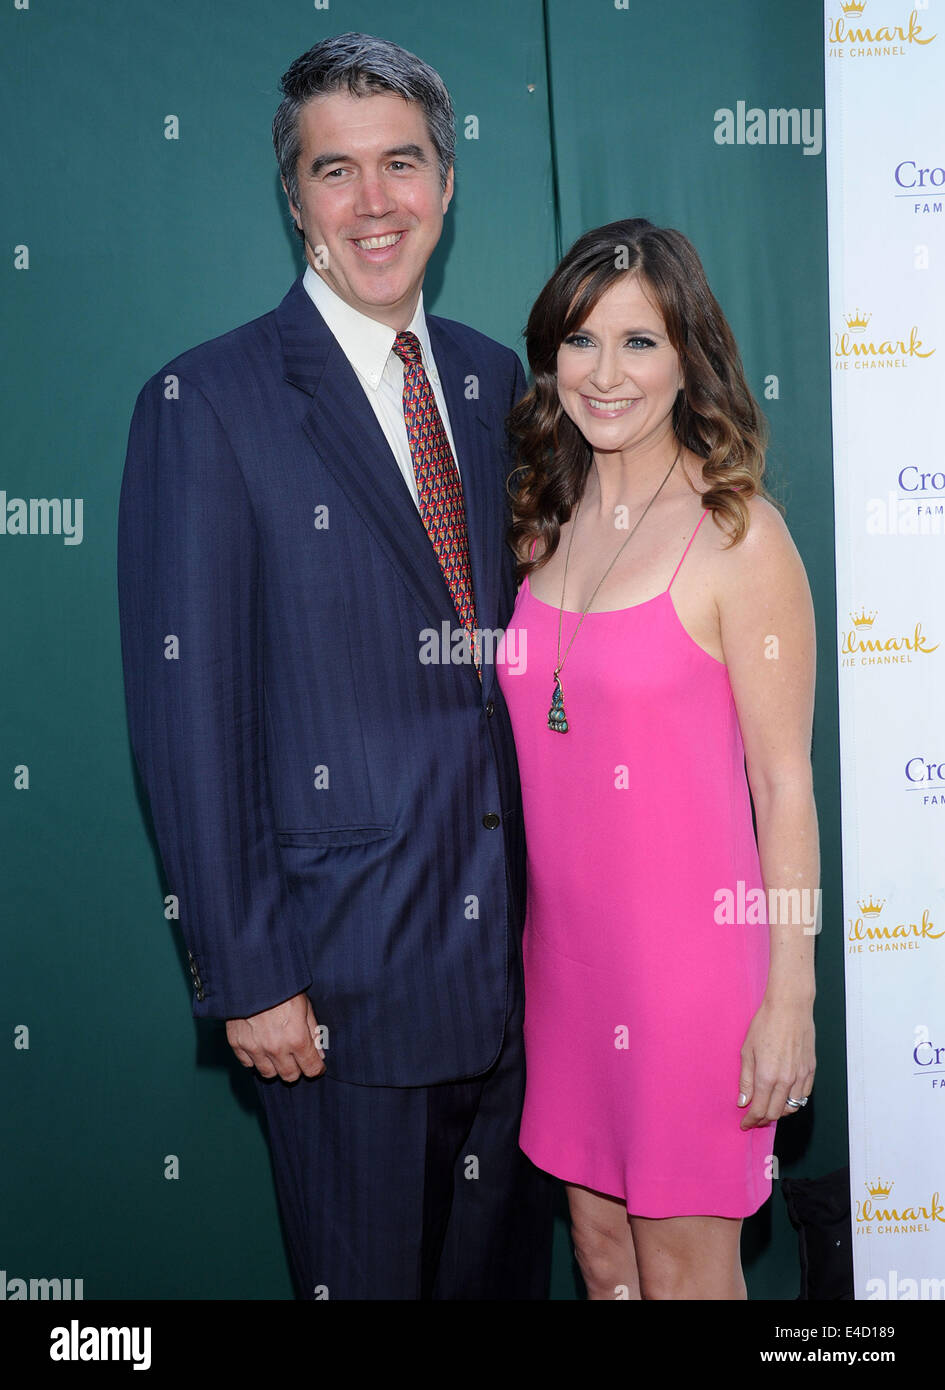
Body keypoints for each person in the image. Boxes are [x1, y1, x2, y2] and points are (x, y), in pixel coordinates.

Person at [117, 32, 553, 1300]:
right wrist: (251, 974)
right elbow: (186, 719)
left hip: (519, 982)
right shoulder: (207, 403)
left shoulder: (490, 383)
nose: (375, 203)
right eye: (336, 170)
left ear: (448, 182)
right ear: (295, 196)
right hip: (337, 992)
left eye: (402, 164)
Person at [496, 218, 818, 1300]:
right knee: (603, 1263)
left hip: (691, 981)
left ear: (689, 358)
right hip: (569, 972)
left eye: (640, 342)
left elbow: (784, 786)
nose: (606, 371)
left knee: (685, 1277)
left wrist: (791, 997)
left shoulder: (741, 536)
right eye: (582, 340)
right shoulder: (548, 520)